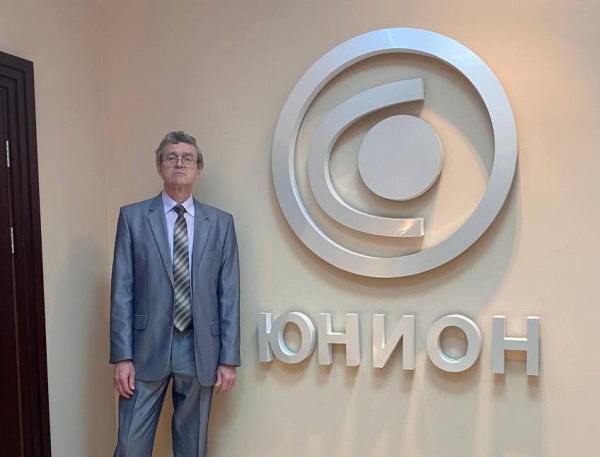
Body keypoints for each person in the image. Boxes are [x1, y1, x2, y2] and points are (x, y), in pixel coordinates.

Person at [109, 131, 240, 456]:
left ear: (198, 170)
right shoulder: (133, 218)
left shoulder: (221, 223)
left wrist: (228, 359)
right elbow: (122, 290)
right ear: (159, 166)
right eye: (171, 157)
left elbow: (229, 295)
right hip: (145, 347)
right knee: (130, 445)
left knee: (192, 447)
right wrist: (122, 356)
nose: (179, 163)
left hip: (199, 347)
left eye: (187, 158)